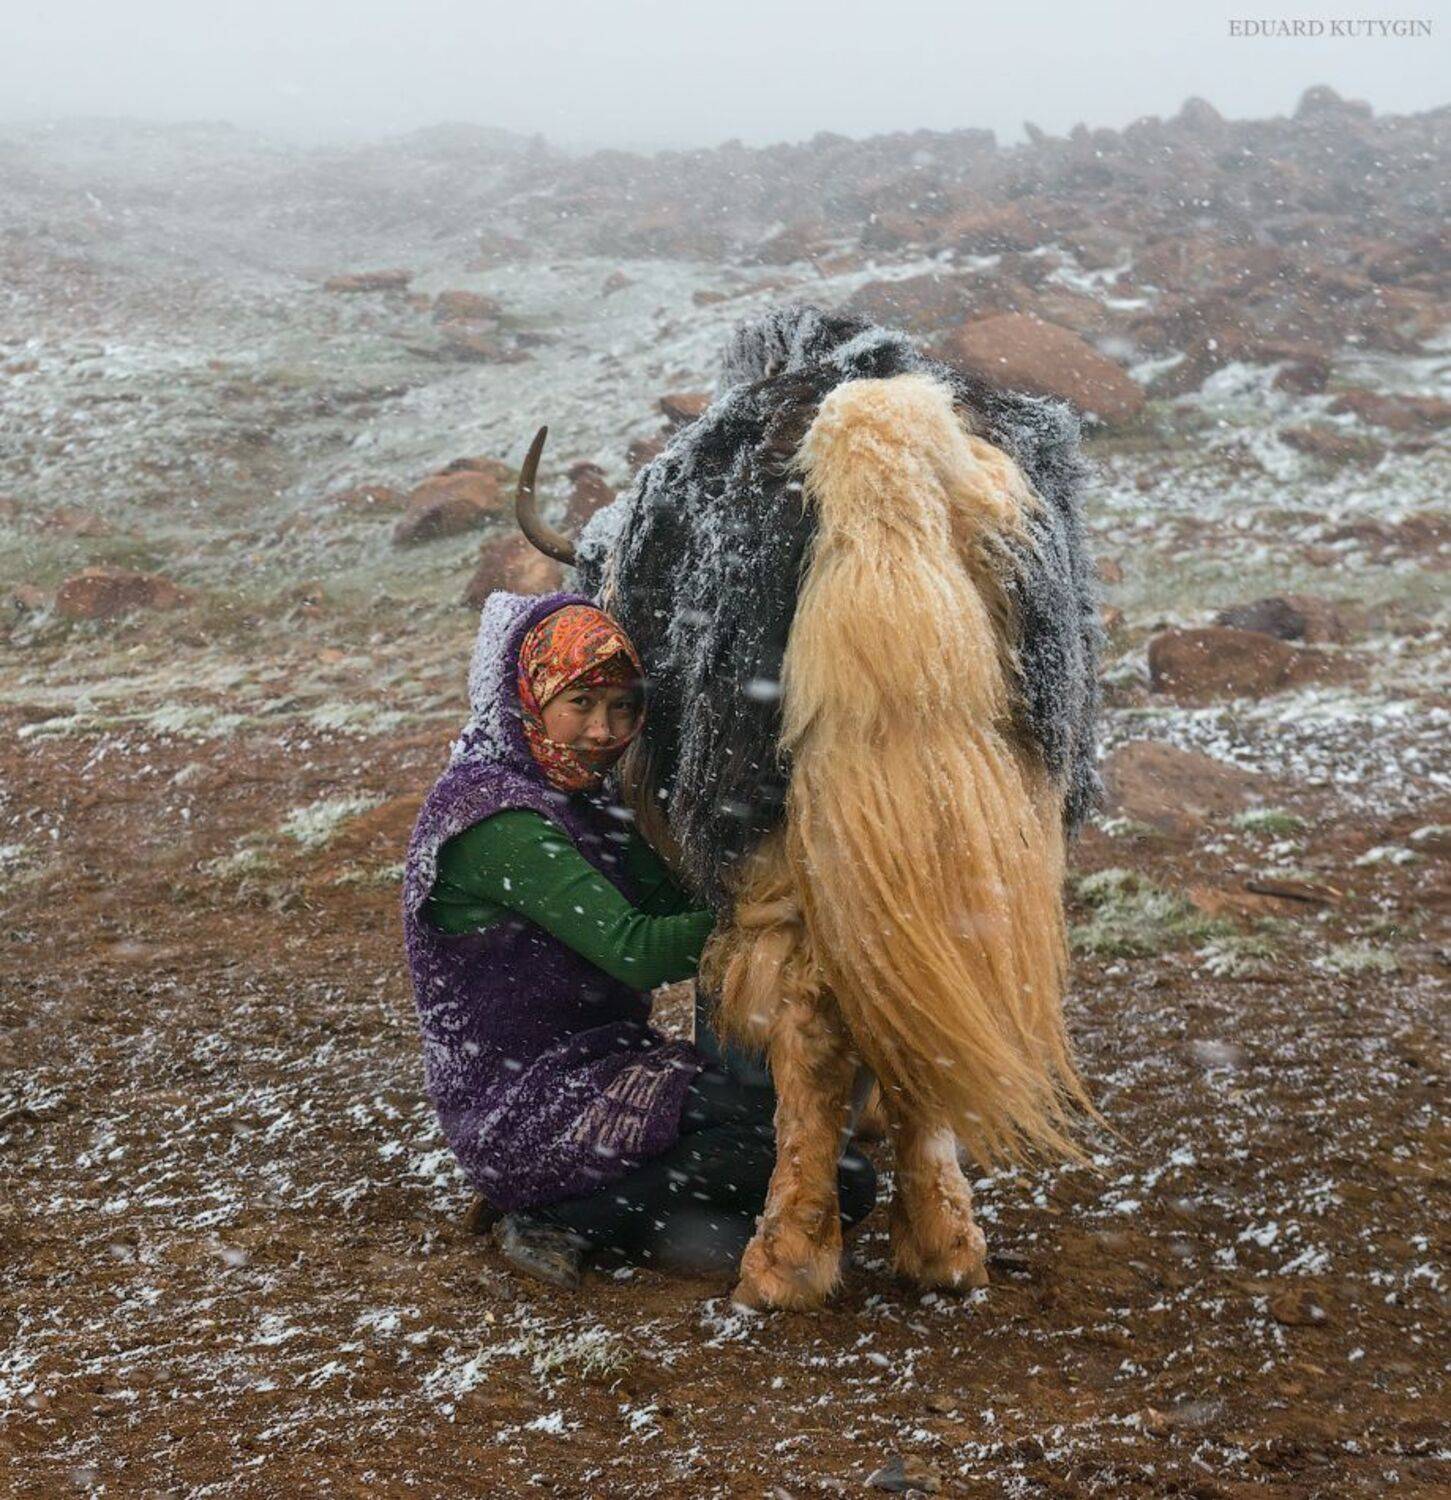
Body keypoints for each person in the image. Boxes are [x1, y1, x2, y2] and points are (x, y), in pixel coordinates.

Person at [402, 589, 876, 1289]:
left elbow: (674, 900)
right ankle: (561, 1212)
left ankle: (593, 1205)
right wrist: (784, 909)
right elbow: (638, 948)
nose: (602, 730)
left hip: (604, 1069)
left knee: (823, 1159)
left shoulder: (581, 799)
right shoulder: (494, 820)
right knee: (826, 1177)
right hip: (525, 1106)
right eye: (580, 704)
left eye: (622, 707)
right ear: (526, 698)